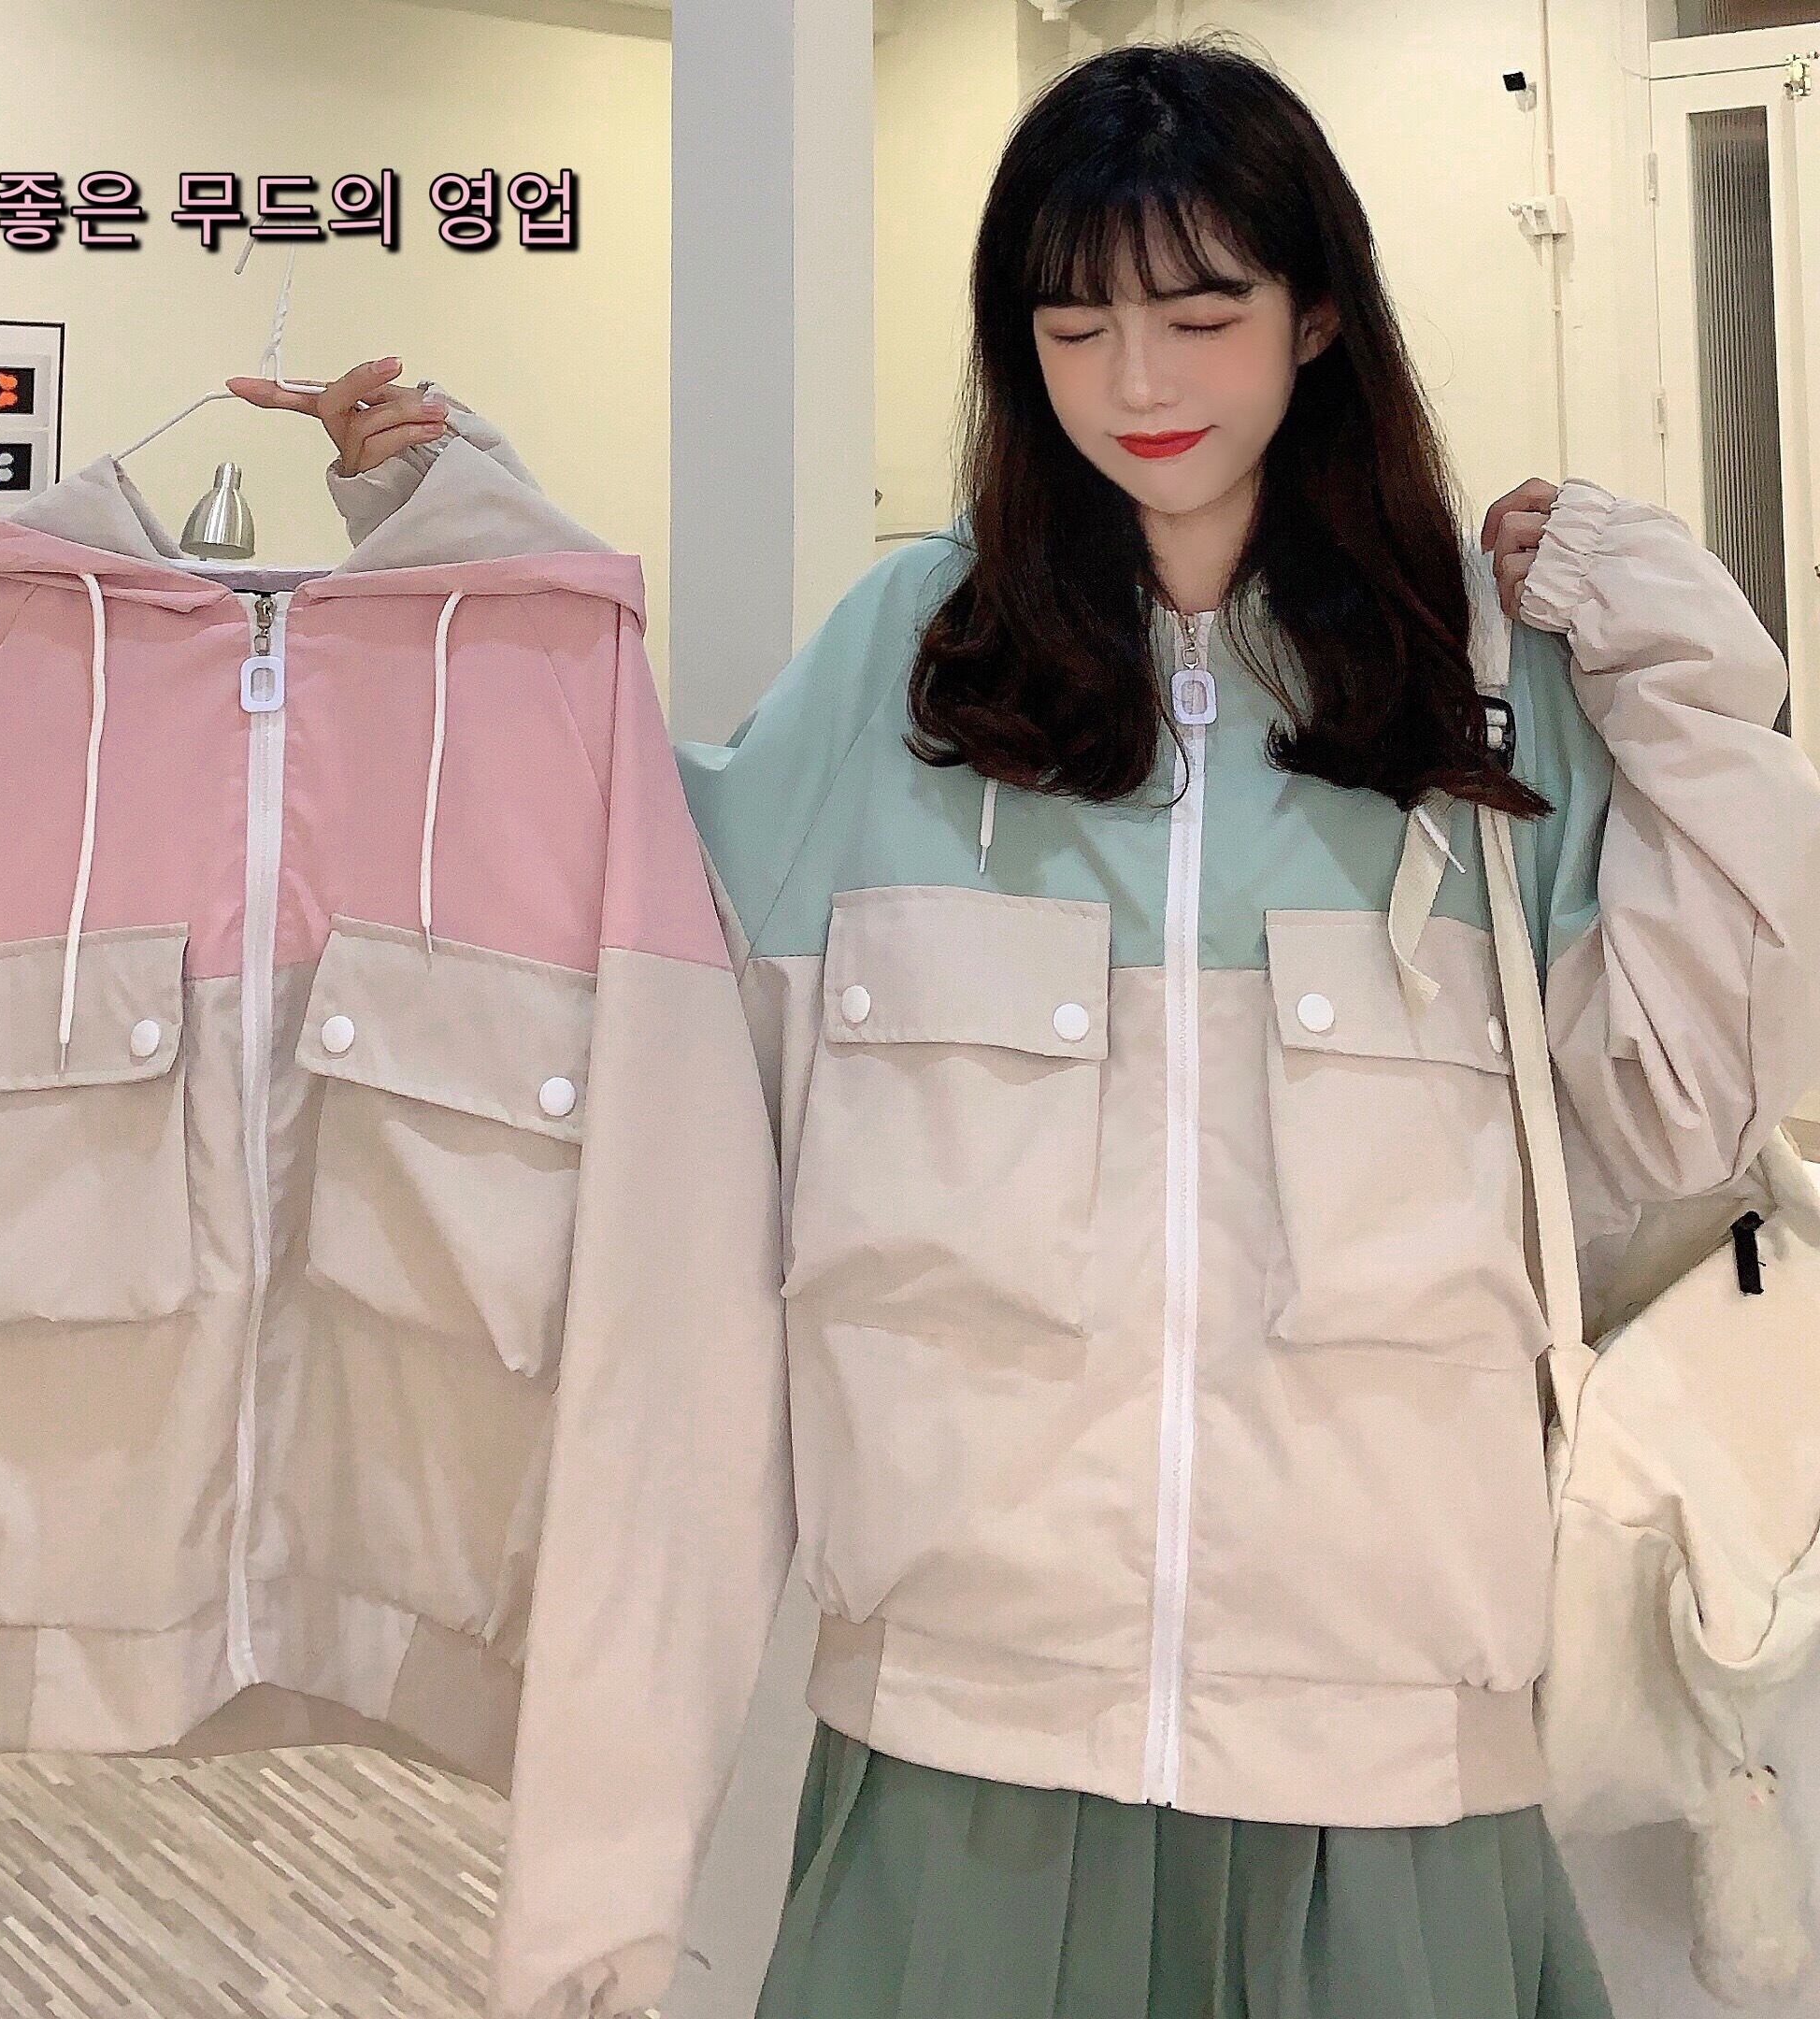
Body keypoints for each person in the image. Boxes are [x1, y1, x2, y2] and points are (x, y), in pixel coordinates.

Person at [235, 36, 1820, 2019]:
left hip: (1389, 1748)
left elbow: (1688, 1095)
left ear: (1318, 315)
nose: (1138, 382)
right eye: (1074, 329)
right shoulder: (916, 660)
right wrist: (456, 526)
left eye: (1201, 315)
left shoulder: (1475, 679)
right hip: (960, 1741)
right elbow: (646, 897)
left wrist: (1682, 652)